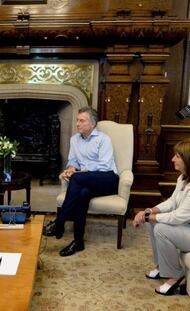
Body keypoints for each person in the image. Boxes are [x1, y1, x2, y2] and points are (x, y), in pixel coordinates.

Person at [43, 106, 119, 256]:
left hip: (108, 179)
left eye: (82, 120)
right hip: (85, 180)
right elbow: (73, 161)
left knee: (77, 178)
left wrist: (82, 172)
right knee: (83, 193)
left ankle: (59, 222)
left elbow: (104, 165)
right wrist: (71, 169)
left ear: (92, 124)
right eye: (77, 120)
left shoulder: (103, 140)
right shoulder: (74, 140)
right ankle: (78, 241)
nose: (77, 123)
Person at [133, 139, 190, 296]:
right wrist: (149, 211)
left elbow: (178, 217)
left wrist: (149, 217)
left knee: (161, 228)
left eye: (177, 156)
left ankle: (176, 276)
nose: (172, 159)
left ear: (187, 159)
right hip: (186, 227)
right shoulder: (182, 178)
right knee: (153, 223)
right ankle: (160, 267)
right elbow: (172, 202)